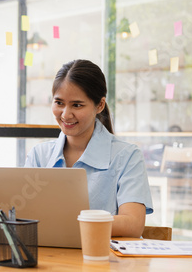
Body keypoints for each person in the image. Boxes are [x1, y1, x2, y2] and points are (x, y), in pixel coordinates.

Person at [25, 59, 153, 238]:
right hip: (51, 257)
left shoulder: (127, 156)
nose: (66, 114)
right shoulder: (39, 155)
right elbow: (24, 216)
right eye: (59, 103)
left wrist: (65, 224)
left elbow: (132, 224)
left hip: (103, 261)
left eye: (77, 105)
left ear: (99, 105)